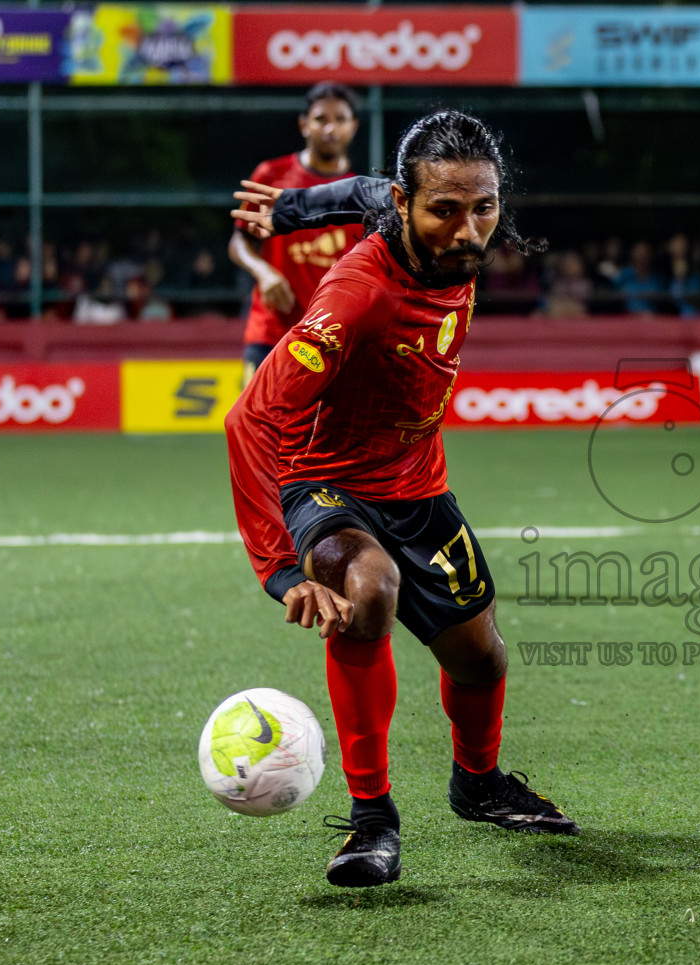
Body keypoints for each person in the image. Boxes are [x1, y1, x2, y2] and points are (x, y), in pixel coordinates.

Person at [225, 111, 579, 890]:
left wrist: (294, 208)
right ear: (406, 205)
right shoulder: (356, 295)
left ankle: (478, 784)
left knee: (481, 657)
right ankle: (371, 818)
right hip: (326, 482)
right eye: (444, 210)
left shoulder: (455, 235)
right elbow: (250, 416)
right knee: (370, 589)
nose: (466, 227)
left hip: (418, 485)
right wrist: (282, 572)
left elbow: (359, 190)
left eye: (482, 207)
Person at [229, 81, 363, 387]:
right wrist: (264, 273)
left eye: (340, 119)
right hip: (272, 332)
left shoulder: (361, 193)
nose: (331, 129)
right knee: (257, 430)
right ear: (304, 124)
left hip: (332, 338)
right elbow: (239, 242)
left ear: (353, 126)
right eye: (321, 119)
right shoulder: (272, 176)